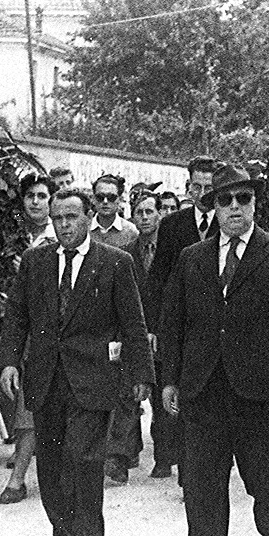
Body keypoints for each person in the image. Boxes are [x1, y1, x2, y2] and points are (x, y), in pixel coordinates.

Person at [157, 163, 269, 536]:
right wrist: (170, 379)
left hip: (262, 389)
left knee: (268, 476)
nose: (234, 207)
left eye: (243, 199)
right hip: (204, 386)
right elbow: (173, 322)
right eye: (225, 200)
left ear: (255, 204)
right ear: (213, 207)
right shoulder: (192, 258)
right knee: (201, 480)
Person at [0, 187, 153, 536]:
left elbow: (133, 323)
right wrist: (9, 362)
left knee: (83, 458)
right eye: (58, 218)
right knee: (50, 462)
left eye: (71, 217)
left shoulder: (114, 262)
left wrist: (141, 374)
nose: (64, 225)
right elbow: (17, 316)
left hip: (93, 378)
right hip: (46, 377)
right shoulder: (35, 261)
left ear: (88, 218)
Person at [145, 155, 222, 480]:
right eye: (197, 186)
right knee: (169, 386)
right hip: (178, 324)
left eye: (209, 187)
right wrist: (153, 326)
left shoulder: (227, 221)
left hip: (215, 325)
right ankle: (165, 456)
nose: (203, 194)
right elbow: (158, 278)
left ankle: (200, 465)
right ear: (188, 187)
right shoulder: (173, 224)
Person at [0, 173, 58, 505]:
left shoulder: (61, 235)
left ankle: (18, 477)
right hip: (15, 324)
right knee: (18, 397)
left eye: (42, 196)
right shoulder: (9, 237)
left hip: (48, 332)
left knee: (31, 404)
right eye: (30, 195)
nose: (35, 201)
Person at [104, 192, 164, 484]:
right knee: (128, 393)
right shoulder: (126, 254)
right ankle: (120, 456)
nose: (144, 217)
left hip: (164, 333)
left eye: (150, 211)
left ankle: (164, 455)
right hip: (134, 334)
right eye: (139, 212)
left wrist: (159, 330)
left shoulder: (172, 251)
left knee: (163, 396)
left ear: (159, 214)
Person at [89, 174, 139, 251]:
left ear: (120, 199)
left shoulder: (131, 231)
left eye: (111, 197)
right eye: (100, 197)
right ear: (93, 199)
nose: (105, 201)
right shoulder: (84, 229)